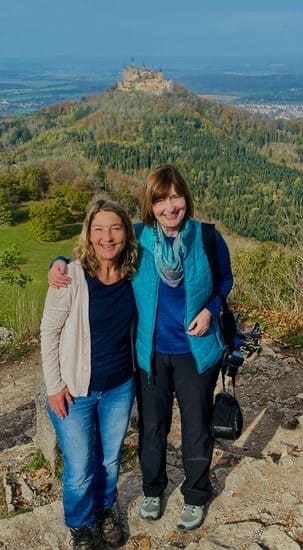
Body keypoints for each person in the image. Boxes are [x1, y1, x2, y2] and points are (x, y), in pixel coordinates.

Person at [49, 164, 233, 531]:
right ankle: (153, 489)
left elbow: (224, 281)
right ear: (150, 205)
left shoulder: (208, 238)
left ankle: (196, 493)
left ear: (186, 200)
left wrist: (211, 310)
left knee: (196, 427)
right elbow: (98, 245)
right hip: (148, 353)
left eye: (175, 197)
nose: (170, 207)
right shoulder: (137, 237)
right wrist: (58, 264)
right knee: (152, 427)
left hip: (195, 352)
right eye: (161, 199)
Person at [41, 198, 138, 549]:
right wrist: (54, 387)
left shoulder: (133, 272)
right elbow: (48, 332)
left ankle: (103, 509)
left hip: (119, 386)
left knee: (110, 457)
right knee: (80, 466)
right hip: (75, 390)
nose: (107, 237)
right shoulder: (70, 276)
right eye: (99, 229)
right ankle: (81, 526)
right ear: (88, 234)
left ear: (127, 233)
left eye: (115, 228)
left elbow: (162, 231)